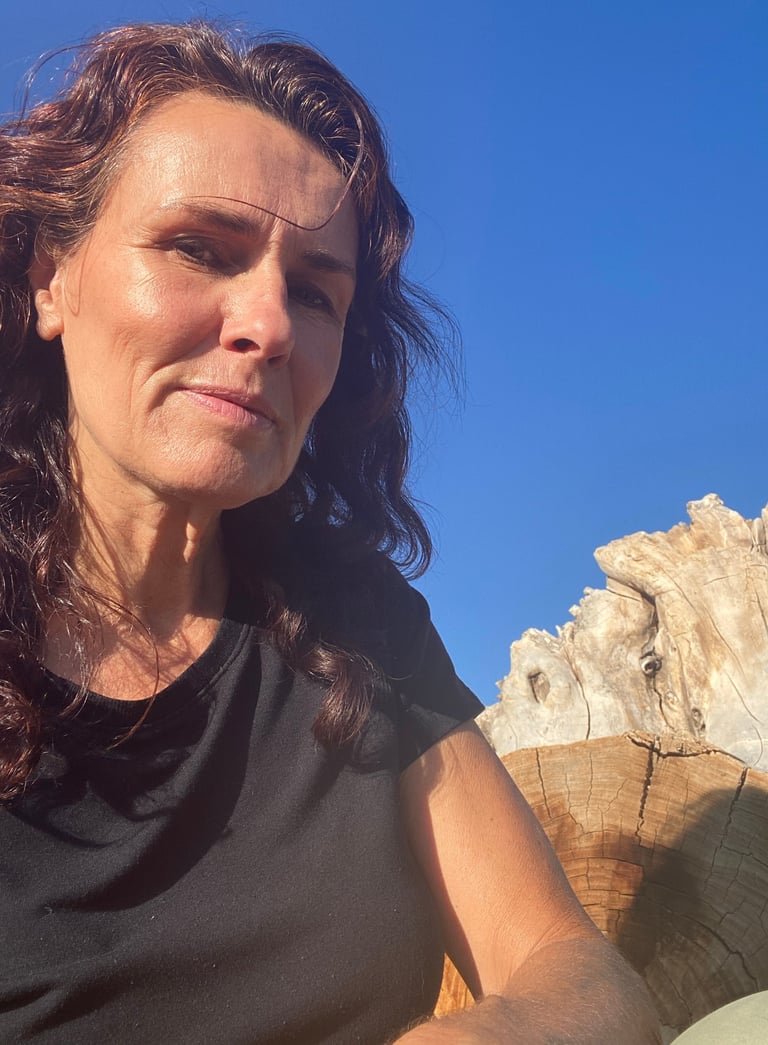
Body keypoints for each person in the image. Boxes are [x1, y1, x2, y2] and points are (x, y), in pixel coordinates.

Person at [0, 21, 661, 1044]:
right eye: (198, 248)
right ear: (51, 277)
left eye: (314, 292)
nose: (266, 324)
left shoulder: (350, 623)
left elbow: (575, 970)